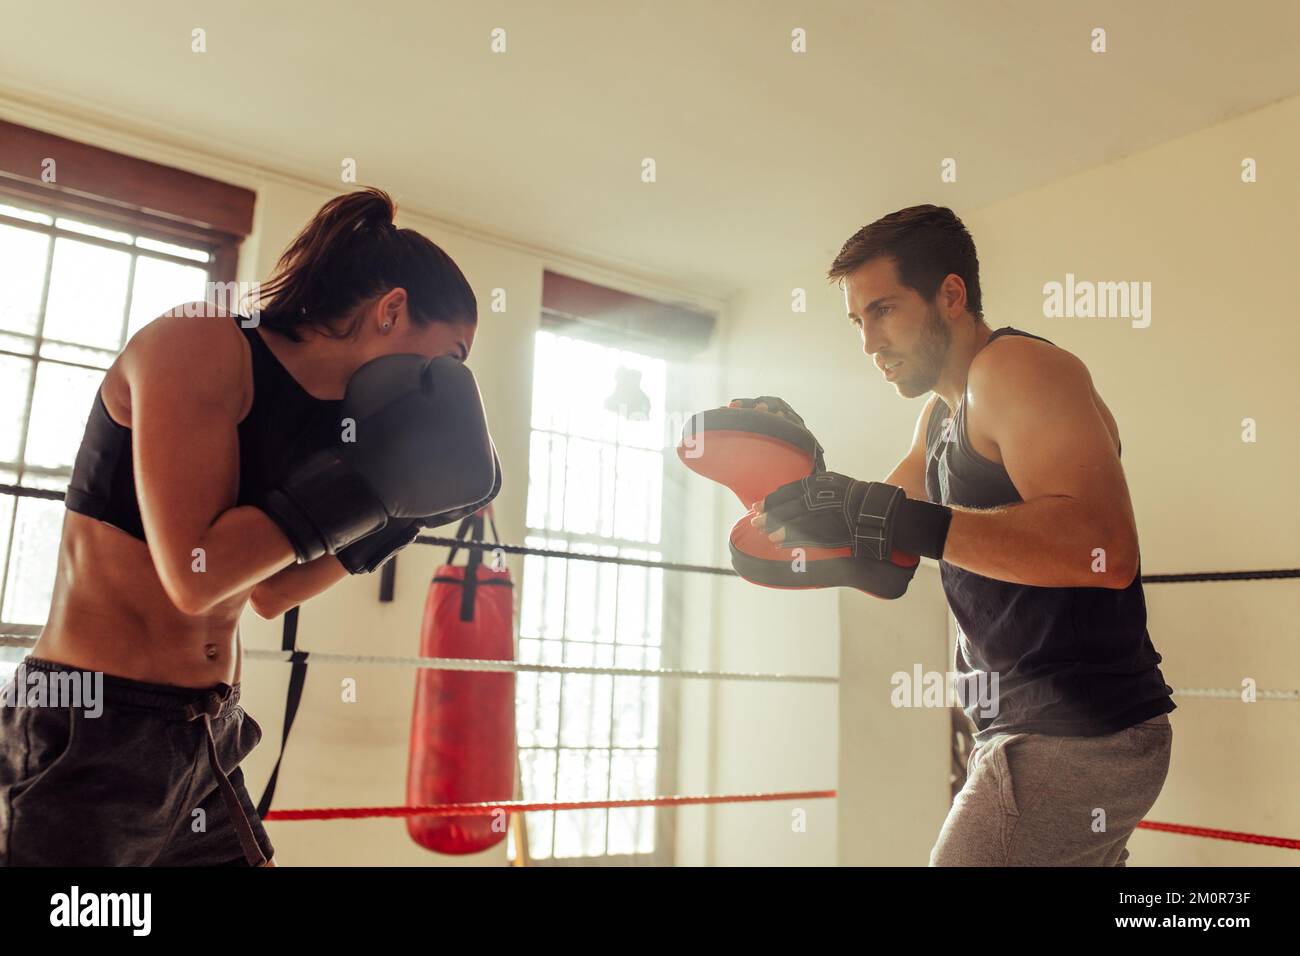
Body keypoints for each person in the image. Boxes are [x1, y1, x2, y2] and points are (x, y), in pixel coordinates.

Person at [0, 187, 496, 866]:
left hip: (209, 730)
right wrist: (373, 485)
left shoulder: (336, 425)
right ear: (392, 309)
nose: (448, 381)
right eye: (454, 355)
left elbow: (272, 592)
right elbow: (196, 576)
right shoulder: (198, 343)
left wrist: (400, 519)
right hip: (93, 726)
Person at [750, 205, 1174, 866]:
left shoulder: (1017, 371)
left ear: (951, 295)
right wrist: (795, 480)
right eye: (858, 320)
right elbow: (882, 550)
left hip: (1075, 731)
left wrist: (893, 520)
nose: (868, 343)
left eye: (885, 310)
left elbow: (1106, 551)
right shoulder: (937, 421)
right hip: (1021, 729)